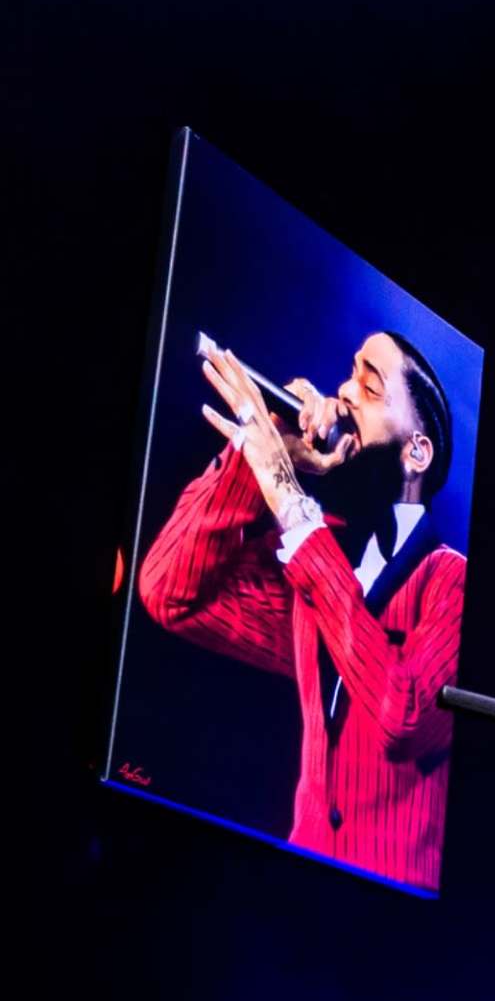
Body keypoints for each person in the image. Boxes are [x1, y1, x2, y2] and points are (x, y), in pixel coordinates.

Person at [137, 332, 466, 889]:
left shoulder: (451, 580)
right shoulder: (321, 560)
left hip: (390, 920)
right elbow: (170, 592)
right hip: (294, 895)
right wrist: (262, 460)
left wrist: (291, 505)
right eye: (349, 374)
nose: (343, 393)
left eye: (369, 384)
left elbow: (403, 716)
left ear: (416, 452)